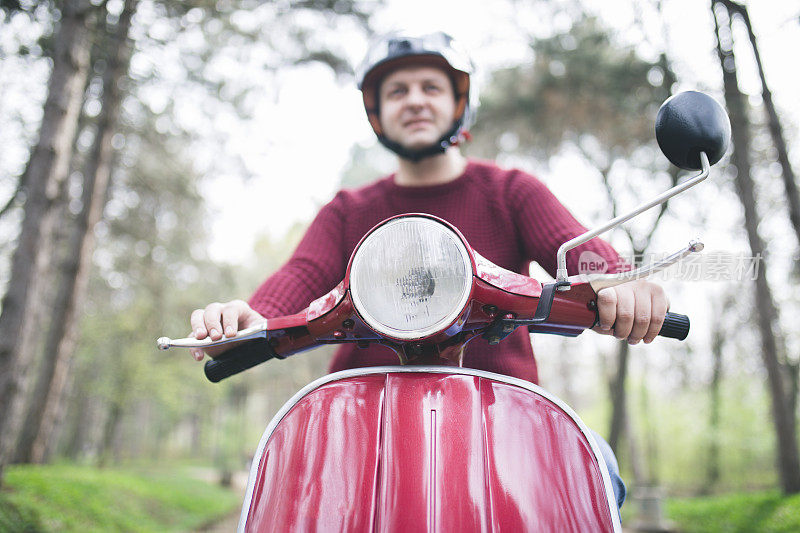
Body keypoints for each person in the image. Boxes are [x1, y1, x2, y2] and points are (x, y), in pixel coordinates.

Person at [189, 31, 668, 508]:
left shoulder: (510, 191)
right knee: (287, 488)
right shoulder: (348, 209)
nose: (415, 101)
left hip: (502, 418)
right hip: (361, 421)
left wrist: (619, 282)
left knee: (592, 469)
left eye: (431, 88)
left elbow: (578, 253)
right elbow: (301, 274)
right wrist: (252, 317)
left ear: (460, 102)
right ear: (376, 114)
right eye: (397, 91)